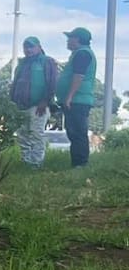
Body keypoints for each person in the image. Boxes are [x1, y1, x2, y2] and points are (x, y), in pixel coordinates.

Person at [9, 36, 58, 168]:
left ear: (39, 47)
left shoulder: (47, 61)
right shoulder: (22, 63)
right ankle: (26, 161)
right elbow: (15, 83)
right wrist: (11, 102)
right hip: (20, 106)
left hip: (38, 106)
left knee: (36, 134)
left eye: (31, 46)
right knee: (23, 135)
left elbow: (52, 83)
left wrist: (45, 101)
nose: (28, 50)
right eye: (26, 47)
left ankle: (36, 162)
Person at [57, 27, 96, 168]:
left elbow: (79, 76)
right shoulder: (78, 54)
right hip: (76, 99)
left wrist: (69, 97)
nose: (68, 41)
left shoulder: (83, 53)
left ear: (77, 39)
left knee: (78, 132)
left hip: (78, 100)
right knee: (74, 133)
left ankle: (80, 164)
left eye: (70, 38)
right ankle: (77, 163)